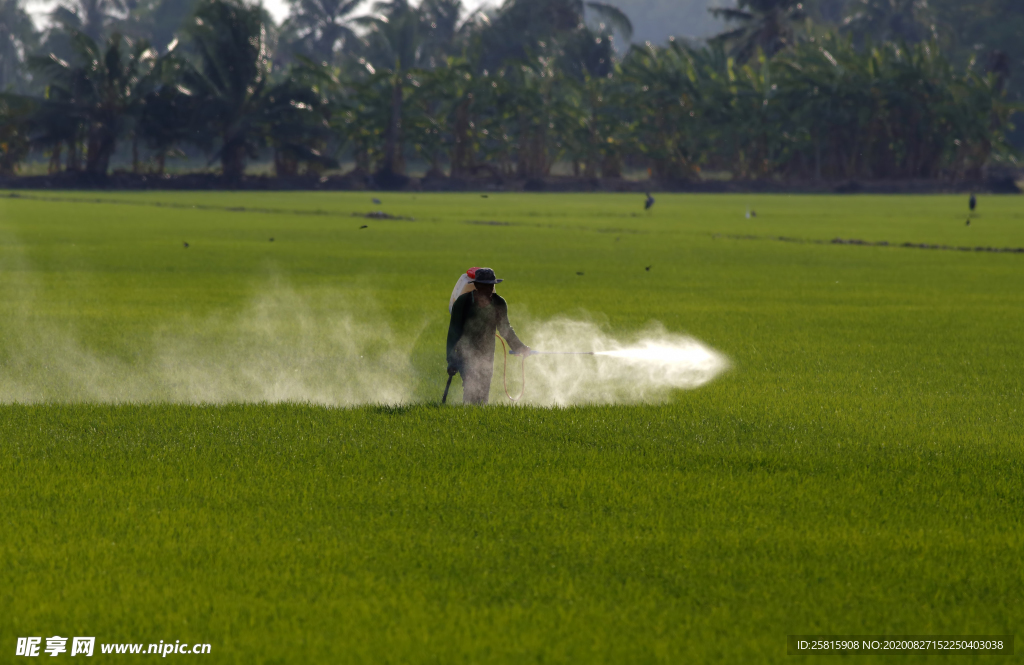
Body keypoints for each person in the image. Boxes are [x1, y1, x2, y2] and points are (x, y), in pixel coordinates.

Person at [446, 267, 531, 404]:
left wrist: (521, 347)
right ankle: (468, 415)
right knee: (471, 387)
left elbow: (505, 329)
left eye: (491, 286)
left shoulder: (499, 303)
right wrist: (451, 359)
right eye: (485, 287)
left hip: (487, 355)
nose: (489, 290)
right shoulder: (462, 303)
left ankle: (479, 416)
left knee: (484, 390)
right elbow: (453, 332)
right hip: (465, 354)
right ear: (477, 286)